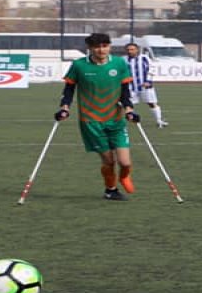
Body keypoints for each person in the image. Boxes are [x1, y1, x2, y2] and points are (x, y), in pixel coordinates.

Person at [55, 33, 141, 201]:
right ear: (90, 48)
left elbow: (125, 92)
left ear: (109, 46)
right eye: (97, 46)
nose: (101, 50)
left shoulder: (119, 64)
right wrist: (64, 109)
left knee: (125, 162)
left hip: (116, 119)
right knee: (109, 161)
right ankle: (111, 189)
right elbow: (69, 90)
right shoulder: (79, 65)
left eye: (105, 46)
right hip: (91, 121)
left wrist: (130, 110)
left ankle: (124, 176)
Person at [124, 42, 167, 128]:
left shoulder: (144, 58)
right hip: (131, 87)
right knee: (129, 105)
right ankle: (129, 121)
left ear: (137, 50)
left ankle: (159, 120)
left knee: (151, 103)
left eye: (132, 49)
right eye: (128, 50)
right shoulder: (124, 60)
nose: (130, 51)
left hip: (146, 86)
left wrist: (148, 81)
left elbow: (151, 69)